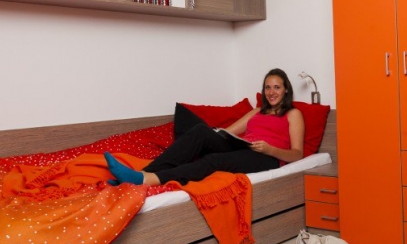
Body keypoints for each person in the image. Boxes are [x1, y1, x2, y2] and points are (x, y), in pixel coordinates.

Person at [104, 68, 305, 186]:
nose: (271, 92)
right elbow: (229, 132)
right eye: (268, 87)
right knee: (201, 131)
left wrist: (270, 149)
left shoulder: (293, 114)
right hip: (245, 148)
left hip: (267, 158)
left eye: (277, 87)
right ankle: (140, 174)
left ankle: (151, 179)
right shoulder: (257, 111)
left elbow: (298, 154)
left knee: (214, 160)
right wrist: (217, 135)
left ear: (286, 90)